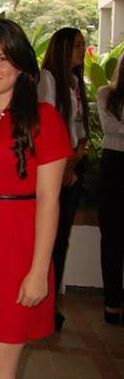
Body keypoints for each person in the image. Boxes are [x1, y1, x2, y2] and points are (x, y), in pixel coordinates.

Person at [0, 19, 71, 378]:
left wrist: (38, 271)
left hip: (16, 256)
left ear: (21, 65)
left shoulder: (43, 119)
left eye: (2, 58)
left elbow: (49, 200)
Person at [38, 27, 90, 330]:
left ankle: (52, 302)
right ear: (63, 48)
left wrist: (76, 157)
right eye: (77, 45)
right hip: (54, 169)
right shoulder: (47, 79)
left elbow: (79, 129)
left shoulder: (75, 82)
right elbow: (47, 125)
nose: (82, 51)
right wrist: (64, 166)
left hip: (72, 166)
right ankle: (46, 305)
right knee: (51, 239)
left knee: (62, 240)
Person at [97, 53, 124, 324]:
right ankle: (111, 301)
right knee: (112, 237)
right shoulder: (107, 93)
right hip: (114, 166)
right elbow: (111, 128)